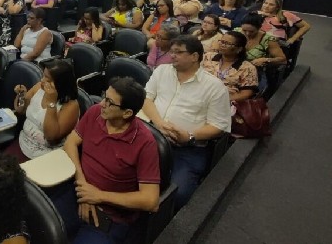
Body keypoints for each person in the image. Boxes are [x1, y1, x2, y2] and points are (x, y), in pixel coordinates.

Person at [52, 77, 160, 243]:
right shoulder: (96, 112)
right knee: (42, 227)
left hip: (110, 214)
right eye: (105, 96)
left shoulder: (145, 143)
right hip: (78, 191)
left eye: (109, 102)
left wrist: (98, 196)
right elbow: (70, 143)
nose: (102, 103)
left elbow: (151, 201)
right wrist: (83, 187)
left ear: (127, 113)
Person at [142, 35, 231, 211]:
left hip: (187, 148)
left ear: (194, 56)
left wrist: (189, 136)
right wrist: (159, 123)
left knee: (178, 194)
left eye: (178, 52)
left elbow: (219, 126)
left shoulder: (214, 87)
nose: (172, 55)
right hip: (152, 137)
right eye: (171, 51)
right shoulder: (162, 71)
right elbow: (147, 99)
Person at [6, 59, 80, 162]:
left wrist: (51, 103)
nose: (42, 80)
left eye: (48, 79)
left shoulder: (71, 105)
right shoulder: (38, 87)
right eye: (43, 76)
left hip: (46, 155)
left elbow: (51, 137)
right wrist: (21, 95)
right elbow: (20, 109)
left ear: (61, 83)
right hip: (23, 143)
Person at [203, 31, 258, 102]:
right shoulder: (208, 57)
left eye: (227, 43)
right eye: (221, 41)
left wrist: (221, 98)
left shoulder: (247, 67)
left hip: (226, 102)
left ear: (239, 49)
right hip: (202, 95)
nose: (222, 45)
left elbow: (246, 93)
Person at [238, 13, 287, 92]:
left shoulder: (268, 39)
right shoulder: (236, 33)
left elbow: (283, 60)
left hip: (256, 73)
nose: (247, 34)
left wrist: (265, 60)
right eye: (244, 30)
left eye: (251, 31)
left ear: (259, 28)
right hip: (235, 69)